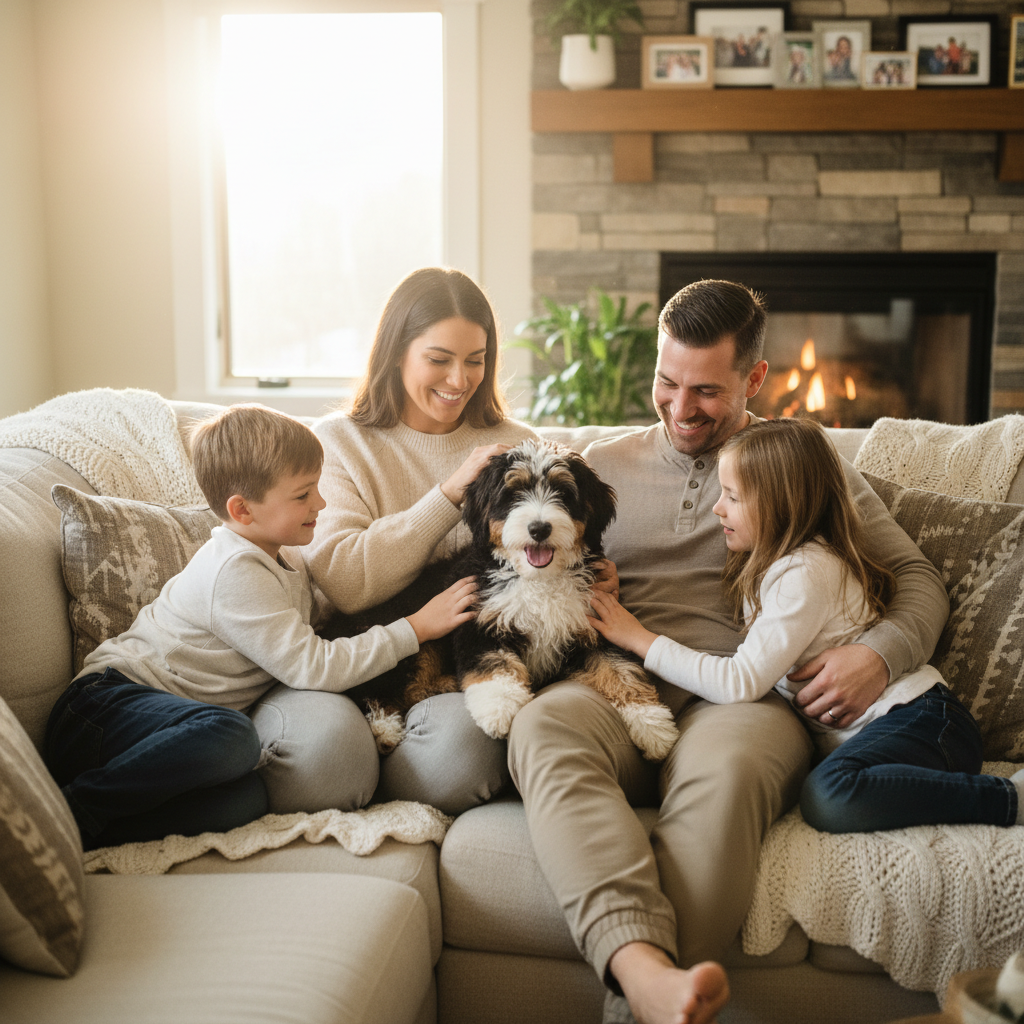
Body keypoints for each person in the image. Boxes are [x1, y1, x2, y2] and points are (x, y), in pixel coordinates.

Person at [506, 279, 950, 1024]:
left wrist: (880, 653)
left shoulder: (797, 465)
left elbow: (915, 576)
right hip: (620, 682)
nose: (681, 411)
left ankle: (641, 1009)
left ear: (753, 380)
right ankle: (644, 975)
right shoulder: (597, 465)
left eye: (706, 391)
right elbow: (518, 544)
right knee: (540, 727)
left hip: (741, 699)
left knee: (732, 769)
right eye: (666, 383)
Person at [43, 403, 477, 849]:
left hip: (164, 727)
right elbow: (313, 667)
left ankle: (95, 833)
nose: (322, 504)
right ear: (243, 510)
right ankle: (66, 812)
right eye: (303, 494)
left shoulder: (283, 553)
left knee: (246, 800)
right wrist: (416, 627)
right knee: (233, 737)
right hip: (104, 711)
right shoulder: (234, 570)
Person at [589, 417, 1024, 834]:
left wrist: (639, 639)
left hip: (922, 722)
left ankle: (1009, 799)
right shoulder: (775, 563)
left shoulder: (805, 573)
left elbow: (738, 682)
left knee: (829, 795)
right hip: (894, 734)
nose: (718, 508)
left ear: (781, 502)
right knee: (831, 786)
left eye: (733, 497)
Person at [306, 266, 539, 815]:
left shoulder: (517, 445)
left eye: (476, 360)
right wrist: (449, 495)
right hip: (359, 655)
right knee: (322, 765)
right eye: (439, 359)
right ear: (395, 353)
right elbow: (344, 582)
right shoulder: (340, 443)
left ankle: (397, 772)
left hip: (467, 666)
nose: (460, 380)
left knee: (463, 758)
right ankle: (369, 761)